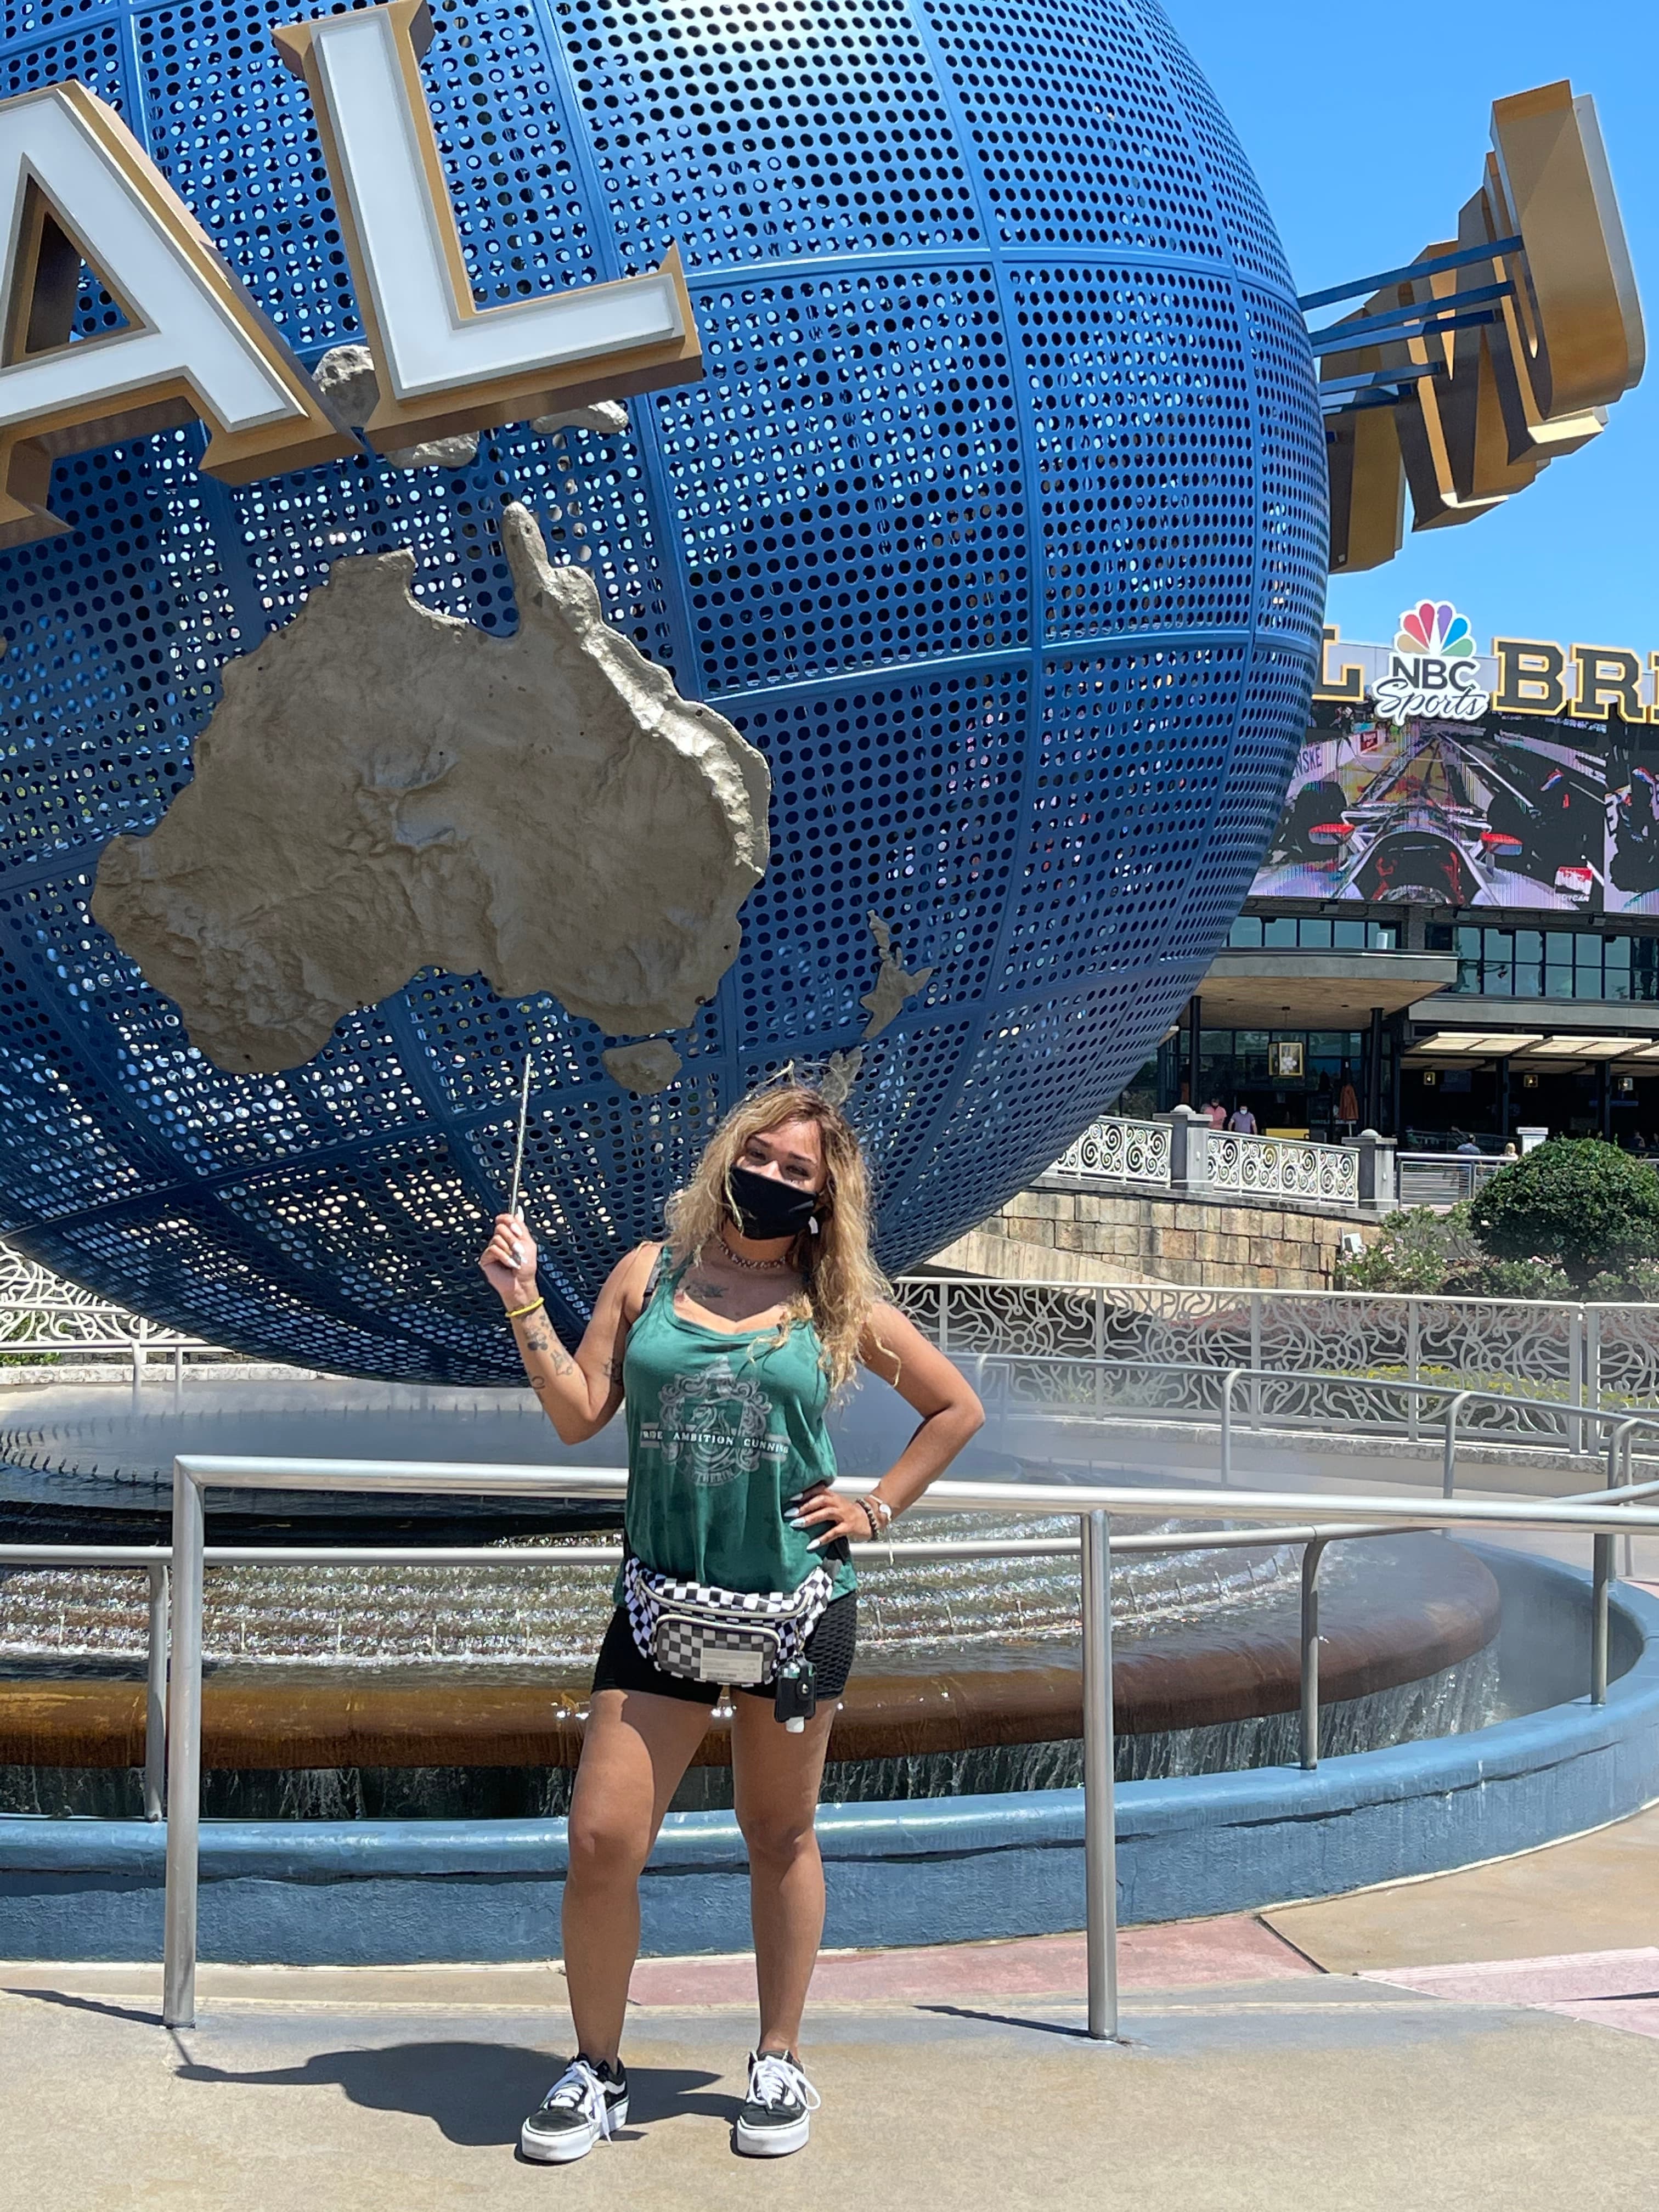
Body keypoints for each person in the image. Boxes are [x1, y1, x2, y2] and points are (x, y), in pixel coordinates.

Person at [479, 1082, 984, 2164]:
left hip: (799, 1615)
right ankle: (598, 2068)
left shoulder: (835, 1299)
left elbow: (956, 1408)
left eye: (797, 1170)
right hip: (662, 1607)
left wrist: (876, 1505)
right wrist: (523, 1300)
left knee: (779, 1834)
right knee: (603, 1840)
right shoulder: (646, 1275)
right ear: (727, 1157)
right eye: (760, 1155)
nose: (771, 1177)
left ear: (824, 1195)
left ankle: (780, 2058)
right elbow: (577, 1415)